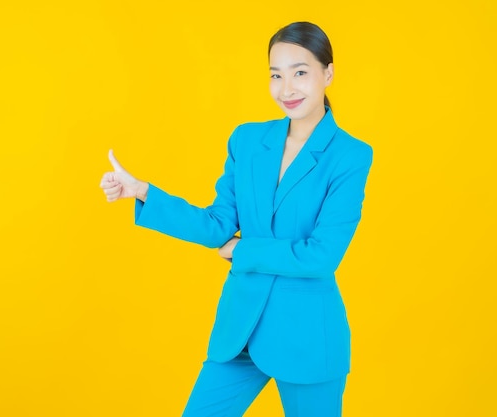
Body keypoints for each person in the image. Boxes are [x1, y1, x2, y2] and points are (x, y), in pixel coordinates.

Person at [100, 21, 373, 417]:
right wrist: (142, 192)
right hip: (240, 332)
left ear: (327, 73)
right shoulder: (246, 141)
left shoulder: (350, 155)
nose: (287, 89)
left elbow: (322, 255)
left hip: (307, 337)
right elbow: (216, 225)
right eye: (276, 76)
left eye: (300, 73)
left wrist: (244, 251)